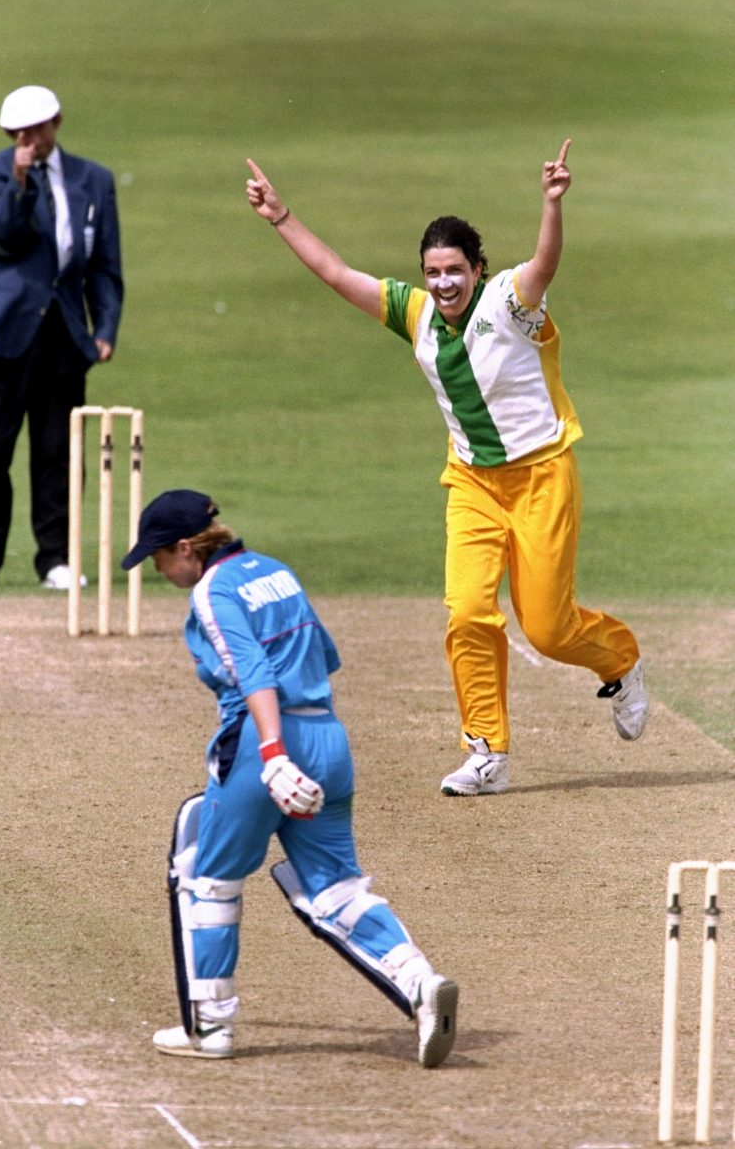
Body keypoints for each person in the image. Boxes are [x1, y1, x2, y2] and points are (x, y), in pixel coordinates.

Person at [244, 143, 649, 797]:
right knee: (467, 612)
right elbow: (336, 273)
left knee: (546, 626)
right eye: (433, 271)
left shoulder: (511, 302)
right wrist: (281, 216)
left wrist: (552, 203)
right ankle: (486, 749)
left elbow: (546, 263)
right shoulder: (417, 314)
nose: (443, 283)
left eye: (454, 270)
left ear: (477, 268)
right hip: (472, 485)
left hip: (542, 476)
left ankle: (621, 660)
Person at [120, 488, 458, 1067]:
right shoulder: (274, 571)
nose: (157, 569)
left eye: (159, 558)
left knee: (206, 876)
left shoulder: (212, 590)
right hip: (328, 738)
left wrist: (274, 753)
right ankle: (421, 983)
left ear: (185, 549)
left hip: (263, 746)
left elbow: (253, 672)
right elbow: (324, 657)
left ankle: (210, 1027)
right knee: (336, 887)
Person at [0, 85, 124, 592]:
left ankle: (57, 558)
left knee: (58, 452)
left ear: (57, 123)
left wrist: (105, 329)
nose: (30, 140)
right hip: (6, 331)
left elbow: (104, 265)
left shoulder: (94, 179)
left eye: (37, 130)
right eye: (19, 134)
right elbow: (5, 234)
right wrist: (20, 178)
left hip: (66, 333)